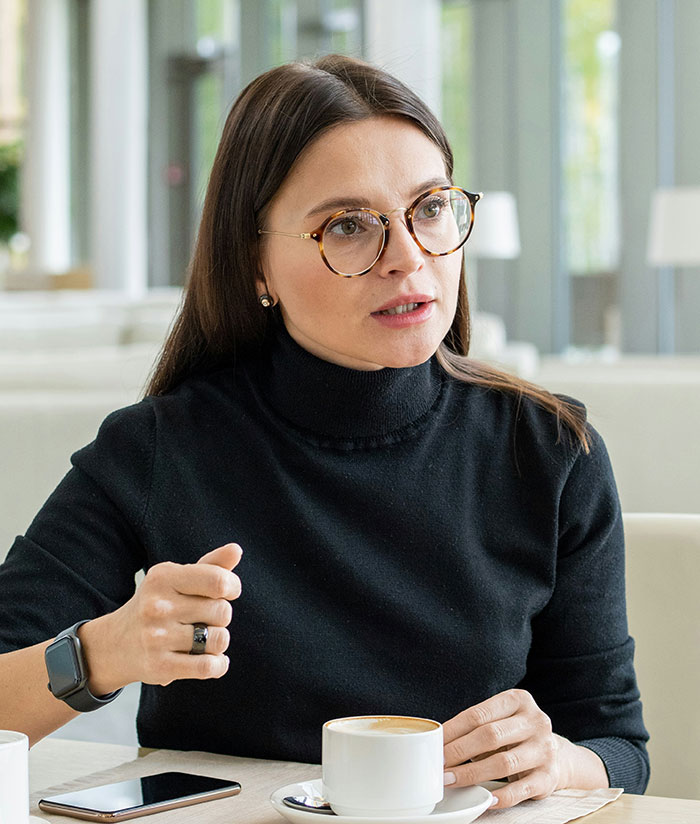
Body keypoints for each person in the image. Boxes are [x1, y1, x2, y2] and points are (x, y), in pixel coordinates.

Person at [0, 54, 648, 807]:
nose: (408, 257)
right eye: (348, 226)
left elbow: (618, 747)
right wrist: (102, 652)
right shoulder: (160, 448)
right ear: (256, 268)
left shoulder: (551, 449)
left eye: (431, 208)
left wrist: (561, 762)